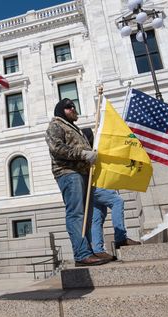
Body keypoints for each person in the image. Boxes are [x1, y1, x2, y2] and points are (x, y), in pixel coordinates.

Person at [45, 98, 110, 267]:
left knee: (87, 214)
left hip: (83, 173)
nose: (73, 109)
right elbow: (56, 148)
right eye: (68, 107)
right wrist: (83, 154)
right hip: (68, 173)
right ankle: (81, 254)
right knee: (76, 213)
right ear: (61, 111)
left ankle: (88, 250)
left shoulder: (75, 129)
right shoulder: (56, 125)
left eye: (74, 106)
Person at [81, 128, 141, 260]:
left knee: (97, 218)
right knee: (117, 202)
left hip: (93, 187)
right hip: (96, 185)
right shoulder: (88, 151)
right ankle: (121, 238)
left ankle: (98, 250)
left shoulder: (92, 149)